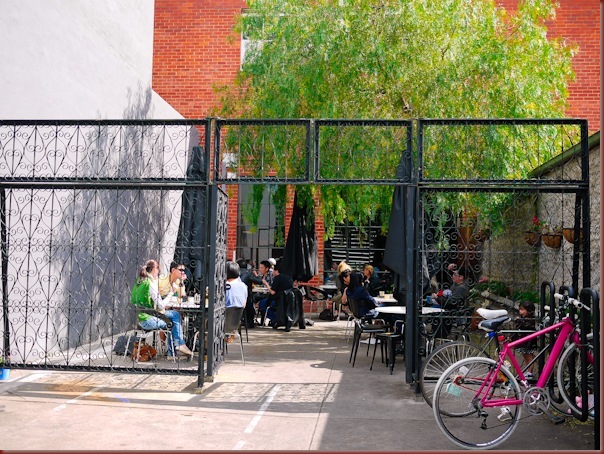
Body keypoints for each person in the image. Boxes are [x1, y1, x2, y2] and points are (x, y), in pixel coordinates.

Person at [133, 259, 193, 358]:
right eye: (158, 269)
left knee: (174, 316)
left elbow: (183, 296)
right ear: (153, 270)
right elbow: (160, 305)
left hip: (140, 317)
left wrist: (181, 282)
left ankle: (175, 349)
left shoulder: (140, 281)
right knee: (172, 321)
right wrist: (171, 293)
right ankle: (176, 349)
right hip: (149, 318)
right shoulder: (152, 283)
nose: (159, 272)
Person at [262, 261, 293, 327]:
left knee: (262, 304)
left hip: (279, 301)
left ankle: (274, 319)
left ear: (277, 271)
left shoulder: (277, 278)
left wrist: (266, 284)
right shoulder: (289, 277)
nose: (272, 272)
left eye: (273, 271)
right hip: (288, 301)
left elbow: (272, 292)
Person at [512, 301, 538, 378]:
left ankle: (530, 372)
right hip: (523, 341)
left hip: (529, 341)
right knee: (525, 355)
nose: (521, 312)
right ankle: (528, 370)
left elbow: (526, 326)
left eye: (523, 310)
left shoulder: (530, 319)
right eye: (520, 309)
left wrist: (519, 321)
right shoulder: (522, 318)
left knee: (529, 356)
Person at [225, 261, 248, 342]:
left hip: (221, 324)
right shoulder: (243, 286)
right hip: (235, 323)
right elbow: (244, 304)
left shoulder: (224, 286)